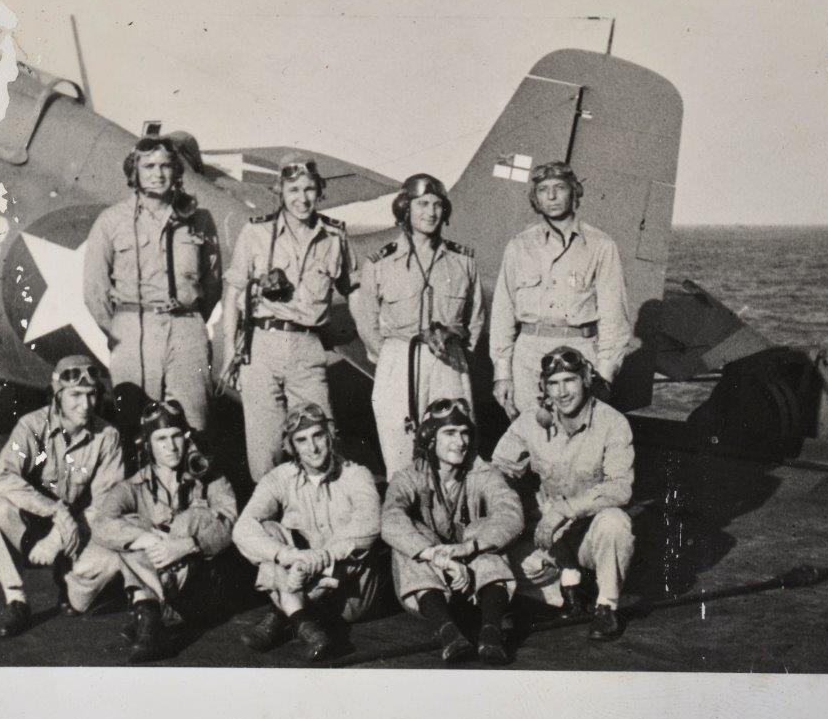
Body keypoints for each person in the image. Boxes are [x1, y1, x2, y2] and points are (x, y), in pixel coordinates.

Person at [218, 152, 358, 481]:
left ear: (319, 191)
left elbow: (355, 289)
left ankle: (320, 506)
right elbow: (233, 292)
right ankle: (272, 509)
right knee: (265, 449)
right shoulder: (256, 232)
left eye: (309, 189)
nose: (302, 198)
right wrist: (229, 352)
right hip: (261, 346)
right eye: (293, 190)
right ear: (279, 191)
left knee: (320, 440)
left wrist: (370, 338)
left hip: (307, 348)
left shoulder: (334, 236)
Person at [491, 346, 635, 640]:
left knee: (616, 524)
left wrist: (565, 509)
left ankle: (606, 605)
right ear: (544, 388)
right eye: (554, 384)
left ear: (586, 380)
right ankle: (569, 585)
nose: (562, 392)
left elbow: (620, 487)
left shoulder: (613, 423)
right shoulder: (530, 421)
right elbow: (498, 470)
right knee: (500, 563)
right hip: (549, 533)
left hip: (587, 531)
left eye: (570, 380)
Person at [83, 135, 221, 437]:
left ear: (176, 172)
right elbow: (94, 290)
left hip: (186, 330)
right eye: (148, 166)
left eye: (165, 166)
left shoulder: (199, 220)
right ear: (134, 172)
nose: (158, 174)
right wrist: (121, 331)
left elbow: (212, 284)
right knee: (134, 426)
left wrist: (190, 320)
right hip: (133, 331)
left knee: (194, 423)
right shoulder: (111, 221)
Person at [0, 355, 125, 638]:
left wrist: (58, 537)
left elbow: (106, 504)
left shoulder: (107, 436)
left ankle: (69, 582)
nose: (86, 405)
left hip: (78, 529)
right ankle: (16, 600)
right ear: (58, 396)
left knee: (110, 564)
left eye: (91, 395)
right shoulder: (32, 426)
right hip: (35, 522)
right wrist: (54, 510)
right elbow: (1, 478)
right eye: (75, 395)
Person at [353, 173, 485, 477]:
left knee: (454, 449)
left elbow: (476, 318)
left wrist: (459, 356)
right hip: (399, 361)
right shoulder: (380, 263)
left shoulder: (463, 261)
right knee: (399, 452)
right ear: (405, 208)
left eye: (438, 205)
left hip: (449, 362)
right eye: (422, 204)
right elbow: (367, 321)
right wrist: (391, 358)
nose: (431, 212)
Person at [90, 399, 239, 662]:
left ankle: (147, 609)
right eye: (161, 439)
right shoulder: (132, 486)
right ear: (148, 444)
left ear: (187, 438)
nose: (171, 446)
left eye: (176, 436)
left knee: (190, 519)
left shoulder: (211, 479)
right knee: (132, 526)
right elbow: (101, 525)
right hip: (167, 583)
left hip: (203, 589)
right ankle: (149, 612)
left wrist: (187, 544)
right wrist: (146, 538)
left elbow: (231, 524)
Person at [232, 403, 382, 661]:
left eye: (318, 436)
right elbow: (242, 528)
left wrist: (323, 557)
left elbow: (370, 524)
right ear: (291, 446)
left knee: (354, 543)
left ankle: (282, 613)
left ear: (329, 435)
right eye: (301, 440)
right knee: (267, 530)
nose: (312, 448)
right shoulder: (279, 477)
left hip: (347, 594)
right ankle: (306, 626)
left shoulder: (356, 474)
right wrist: (290, 555)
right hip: (299, 574)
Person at [381, 398, 524, 664]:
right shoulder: (409, 476)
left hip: (476, 582)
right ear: (429, 438)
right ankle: (449, 634)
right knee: (409, 537)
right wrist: (435, 555)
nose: (460, 442)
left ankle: (491, 634)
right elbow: (390, 519)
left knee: (485, 531)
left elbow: (511, 514)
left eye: (464, 432)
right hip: (432, 585)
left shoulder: (483, 472)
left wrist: (470, 546)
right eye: (449, 433)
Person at [488, 160, 631, 420]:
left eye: (559, 187)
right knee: (529, 434)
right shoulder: (518, 246)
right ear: (535, 198)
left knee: (578, 436)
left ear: (574, 192)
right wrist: (502, 374)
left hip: (580, 354)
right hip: (528, 357)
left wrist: (604, 377)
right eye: (543, 190)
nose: (552, 196)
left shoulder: (601, 245)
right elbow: (503, 312)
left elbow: (614, 318)